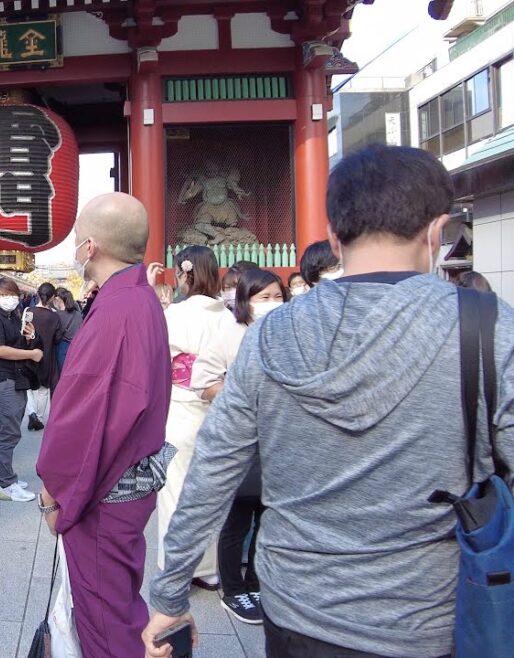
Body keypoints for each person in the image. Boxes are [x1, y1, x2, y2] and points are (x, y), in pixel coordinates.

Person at [145, 144, 514, 658]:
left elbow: (214, 468)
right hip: (431, 615)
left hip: (297, 610)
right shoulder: (490, 330)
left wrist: (168, 593)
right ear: (438, 229)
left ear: (335, 238)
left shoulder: (271, 335)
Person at [35, 192, 173, 658]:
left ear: (90, 246)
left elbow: (82, 415)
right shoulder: (137, 299)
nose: (75, 248)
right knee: (114, 601)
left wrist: (54, 491)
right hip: (128, 482)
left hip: (105, 490)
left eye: (77, 239)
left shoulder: (118, 310)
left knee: (106, 620)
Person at [191, 268, 289, 625]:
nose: (272, 304)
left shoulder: (290, 332)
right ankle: (233, 589)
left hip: (280, 441)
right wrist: (245, 398)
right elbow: (202, 382)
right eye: (264, 298)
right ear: (245, 301)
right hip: (241, 441)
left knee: (269, 517)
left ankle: (258, 582)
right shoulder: (228, 333)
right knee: (236, 520)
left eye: (278, 297)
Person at [157, 244, 228, 591]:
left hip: (180, 407)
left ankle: (178, 568)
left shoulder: (174, 315)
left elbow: (157, 366)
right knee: (212, 491)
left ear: (185, 275)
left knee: (175, 491)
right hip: (221, 411)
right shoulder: (229, 315)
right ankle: (211, 568)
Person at [0, 278, 43, 503]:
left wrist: (30, 337)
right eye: (6, 294)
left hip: (10, 379)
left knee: (1, 430)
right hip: (1, 379)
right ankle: (7, 483)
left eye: (13, 293)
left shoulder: (12, 317)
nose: (11, 298)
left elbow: (17, 345)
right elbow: (0, 351)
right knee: (8, 432)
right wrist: (31, 353)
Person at [26, 283, 61, 431]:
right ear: (53, 297)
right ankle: (39, 418)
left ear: (38, 295)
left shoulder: (28, 311)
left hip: (28, 353)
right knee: (43, 389)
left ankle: (32, 413)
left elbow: (23, 331)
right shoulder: (54, 316)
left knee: (28, 388)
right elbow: (58, 338)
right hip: (47, 355)